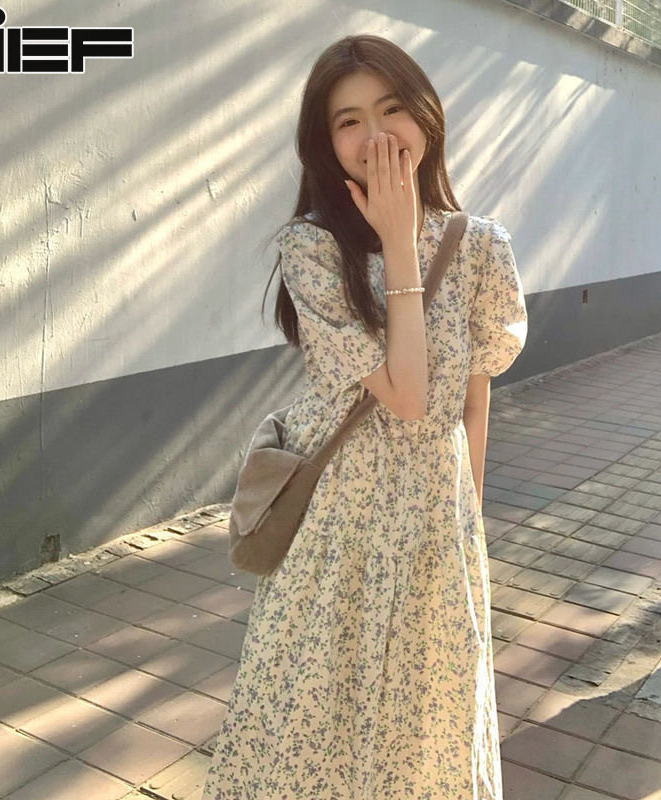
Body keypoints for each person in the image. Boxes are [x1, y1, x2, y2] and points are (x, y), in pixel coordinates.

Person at [202, 33, 527, 800]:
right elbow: (407, 397)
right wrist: (399, 245)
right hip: (338, 524)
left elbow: (472, 398)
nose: (375, 135)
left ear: (426, 115)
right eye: (348, 121)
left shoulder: (482, 248)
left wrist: (467, 524)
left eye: (390, 109)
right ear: (326, 143)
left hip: (433, 527)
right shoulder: (312, 247)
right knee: (315, 724)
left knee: (424, 734)